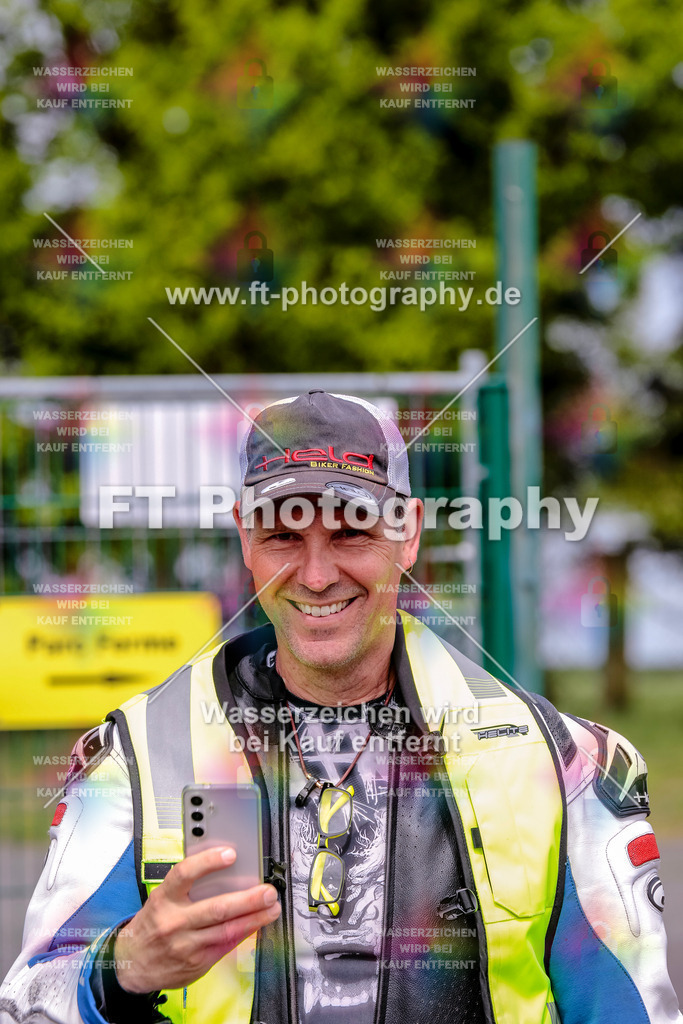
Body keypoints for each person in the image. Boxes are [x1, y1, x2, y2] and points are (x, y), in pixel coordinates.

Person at [1, 389, 680, 1024]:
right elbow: (29, 1000)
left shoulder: (561, 761)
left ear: (408, 533)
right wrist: (118, 970)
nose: (318, 574)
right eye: (283, 537)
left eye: (352, 533)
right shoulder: (141, 753)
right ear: (244, 538)